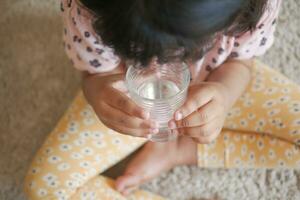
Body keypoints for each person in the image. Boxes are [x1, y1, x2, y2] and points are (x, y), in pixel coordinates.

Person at [24, 0, 300, 199]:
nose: (160, 64)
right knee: (46, 187)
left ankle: (178, 151)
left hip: (219, 76)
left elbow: (242, 63)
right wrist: (98, 92)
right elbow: (94, 73)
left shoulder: (255, 6)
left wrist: (224, 94)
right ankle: (166, 146)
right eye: (141, 51)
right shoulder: (85, 10)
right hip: (130, 104)